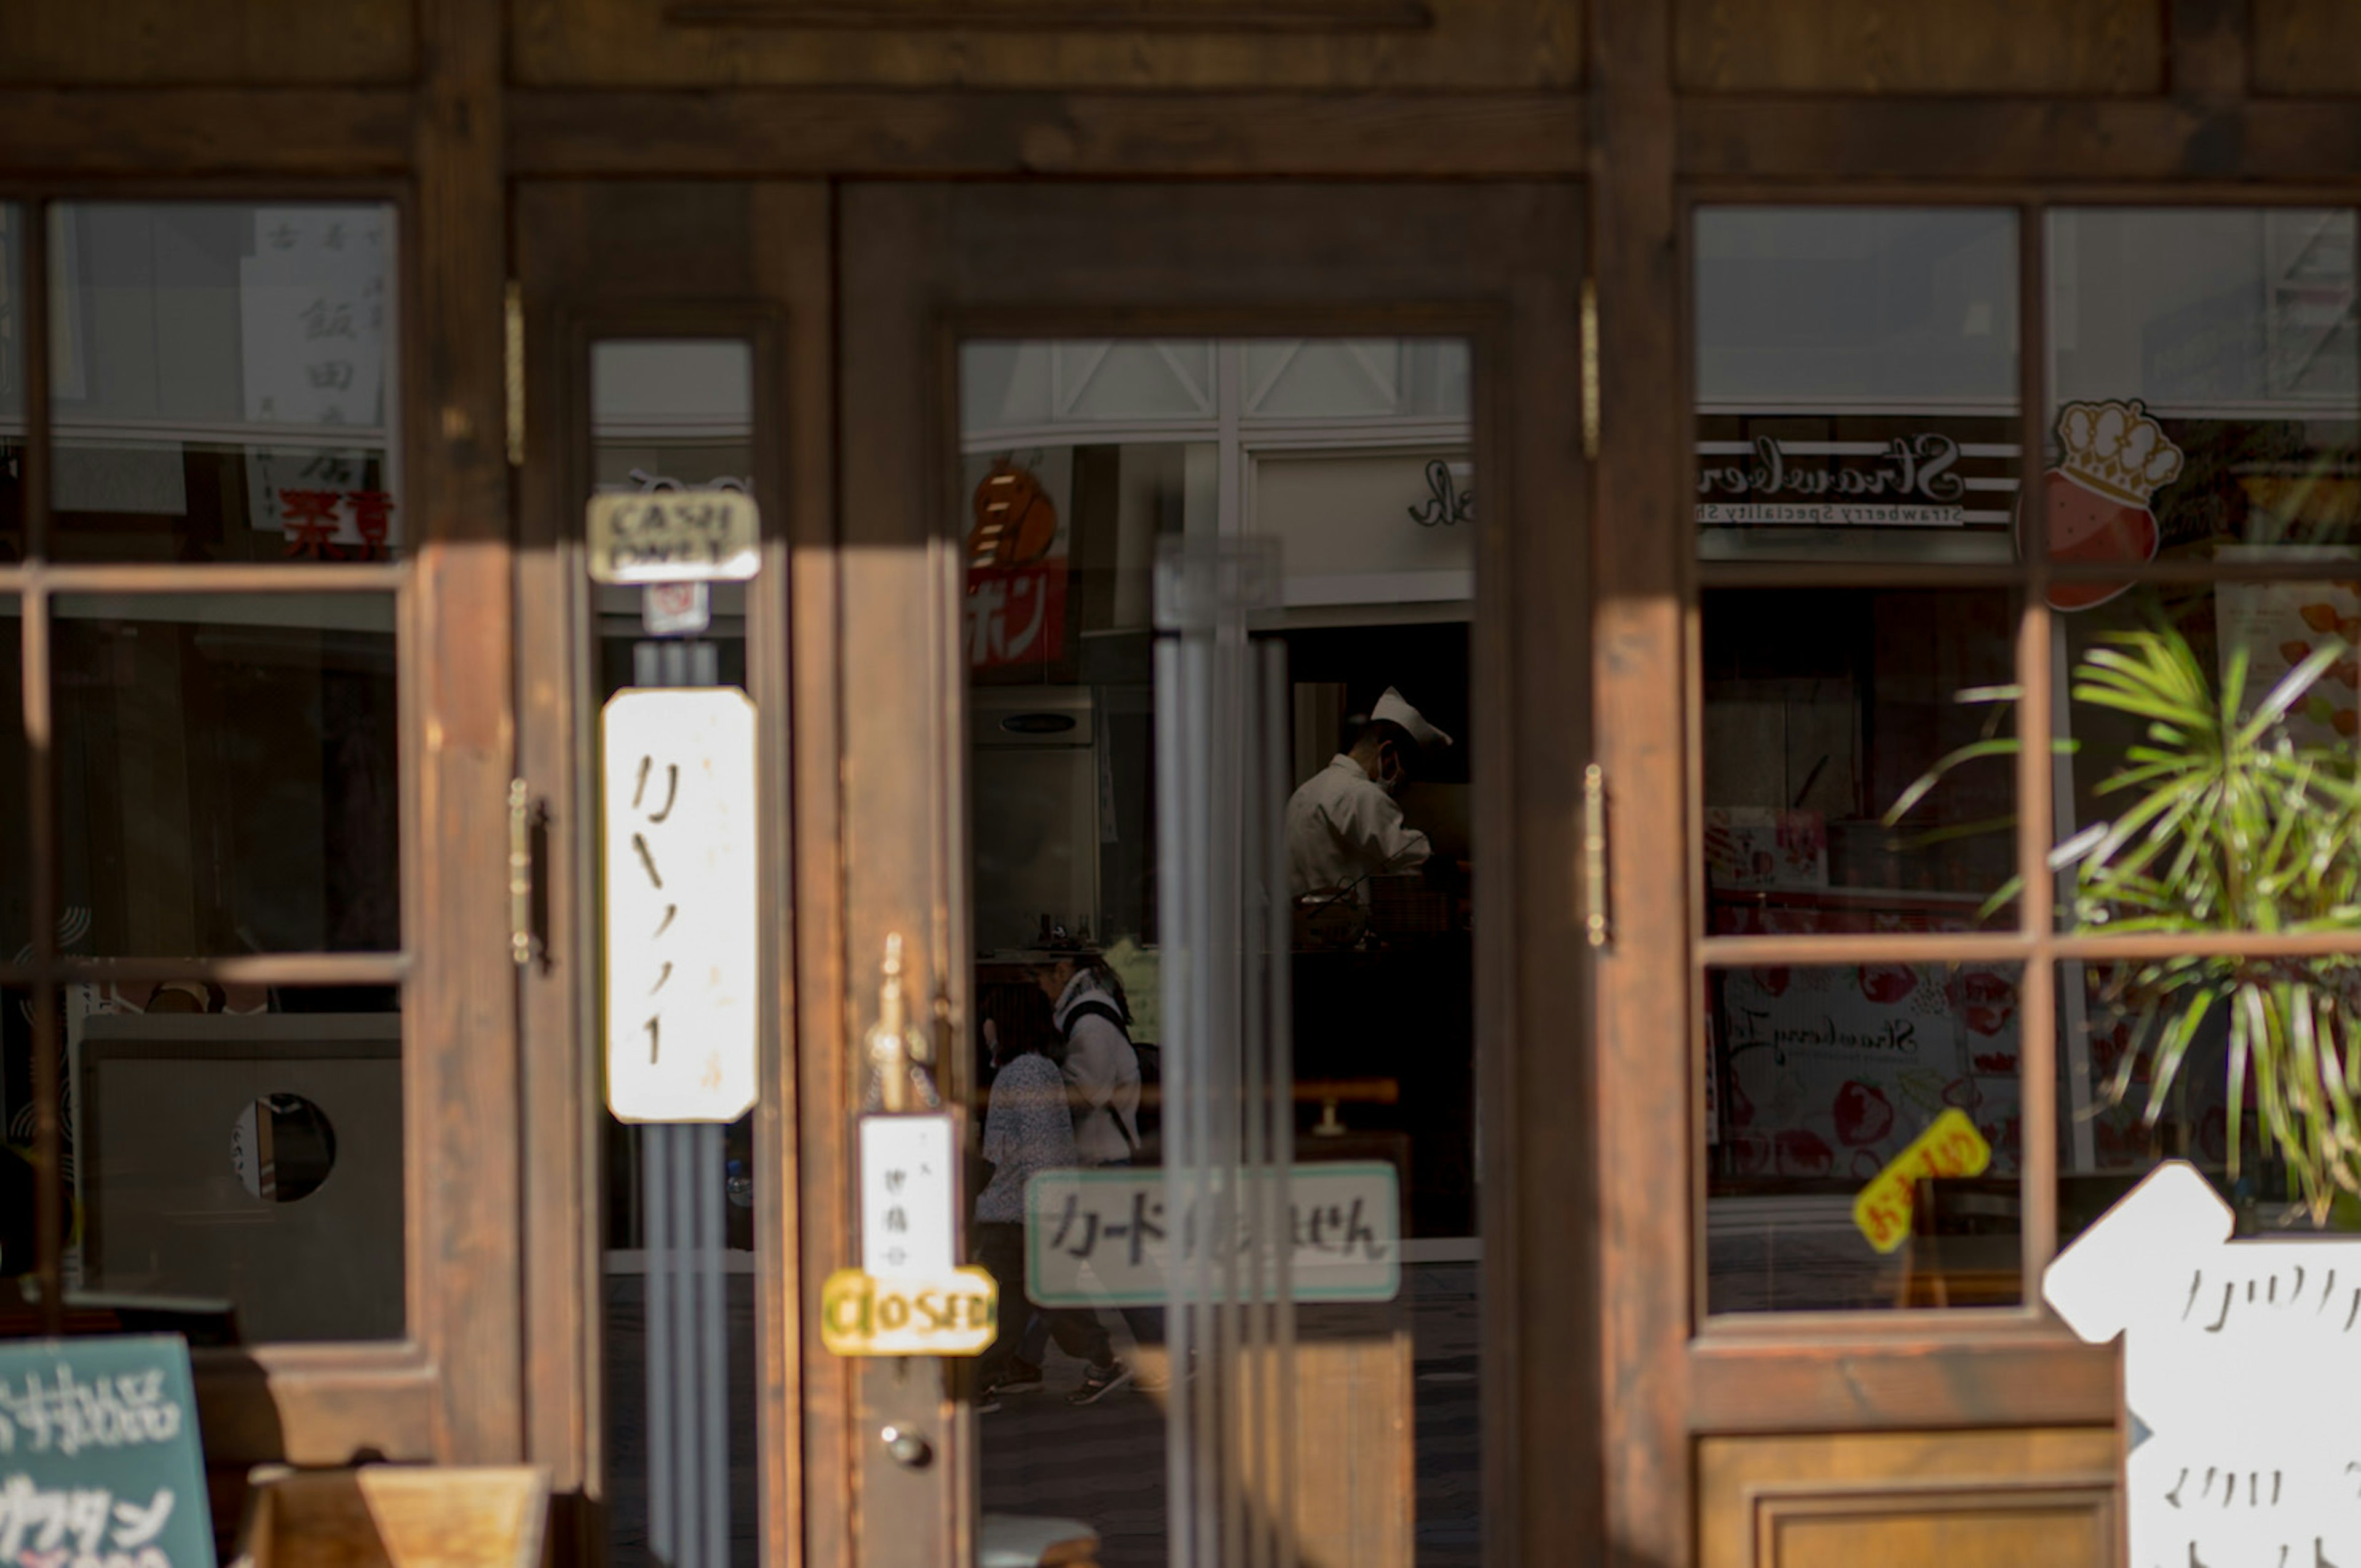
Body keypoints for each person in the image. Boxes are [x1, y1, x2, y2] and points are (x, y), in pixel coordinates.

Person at [971, 1013, 1130, 1411]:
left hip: (1017, 1210)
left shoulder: (1027, 1072)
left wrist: (1044, 1215)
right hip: (1017, 1209)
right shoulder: (1026, 1069)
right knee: (1038, 1299)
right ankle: (1098, 1361)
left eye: (992, 1017)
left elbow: (1039, 1151)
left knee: (1017, 1300)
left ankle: (982, 1382)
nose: (986, 1025)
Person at [1285, 686, 1454, 901]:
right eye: (1403, 780)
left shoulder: (1305, 792)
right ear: (1388, 755)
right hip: (1350, 931)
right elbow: (1416, 863)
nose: (1398, 791)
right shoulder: (1363, 794)